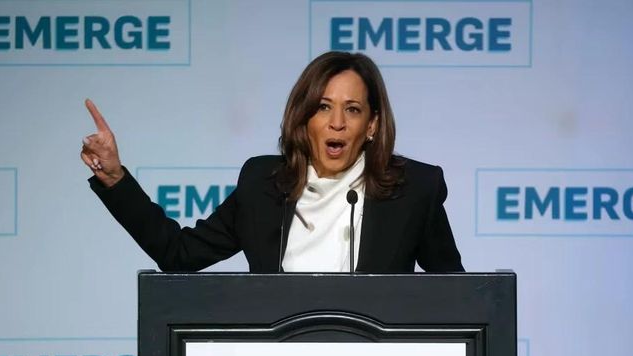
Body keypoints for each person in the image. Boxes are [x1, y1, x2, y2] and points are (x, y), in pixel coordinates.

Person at [81, 51, 464, 273]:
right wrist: (114, 178)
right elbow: (178, 254)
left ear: (371, 125)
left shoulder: (414, 190)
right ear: (304, 118)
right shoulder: (263, 183)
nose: (337, 122)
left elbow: (455, 296)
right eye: (323, 107)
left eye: (352, 109)